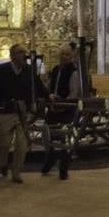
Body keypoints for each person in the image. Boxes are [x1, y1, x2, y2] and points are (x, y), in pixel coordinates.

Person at [0, 44, 47, 183]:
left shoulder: (29, 70)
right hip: (6, 112)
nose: (24, 54)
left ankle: (16, 171)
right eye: (20, 52)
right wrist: (4, 102)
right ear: (12, 55)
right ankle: (3, 162)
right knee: (3, 142)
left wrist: (49, 95)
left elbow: (39, 86)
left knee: (22, 144)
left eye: (24, 52)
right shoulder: (0, 70)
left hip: (23, 113)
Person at [43, 46, 81, 179]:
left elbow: (74, 92)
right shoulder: (55, 69)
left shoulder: (74, 72)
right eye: (62, 54)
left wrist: (63, 105)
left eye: (67, 54)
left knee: (64, 138)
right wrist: (50, 96)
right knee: (49, 135)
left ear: (71, 56)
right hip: (53, 107)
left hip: (66, 109)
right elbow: (50, 86)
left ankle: (63, 169)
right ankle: (50, 159)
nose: (63, 56)